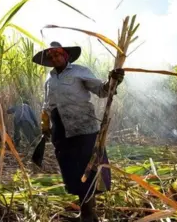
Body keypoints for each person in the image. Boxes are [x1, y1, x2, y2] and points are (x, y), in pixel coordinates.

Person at [32, 41, 124, 222]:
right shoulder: (49, 80)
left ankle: (89, 214)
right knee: (72, 172)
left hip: (84, 128)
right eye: (51, 56)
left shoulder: (79, 71)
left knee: (87, 170)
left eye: (58, 54)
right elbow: (47, 106)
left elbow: (102, 90)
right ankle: (86, 212)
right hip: (62, 133)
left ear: (66, 55)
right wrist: (45, 127)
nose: (55, 58)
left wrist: (113, 81)